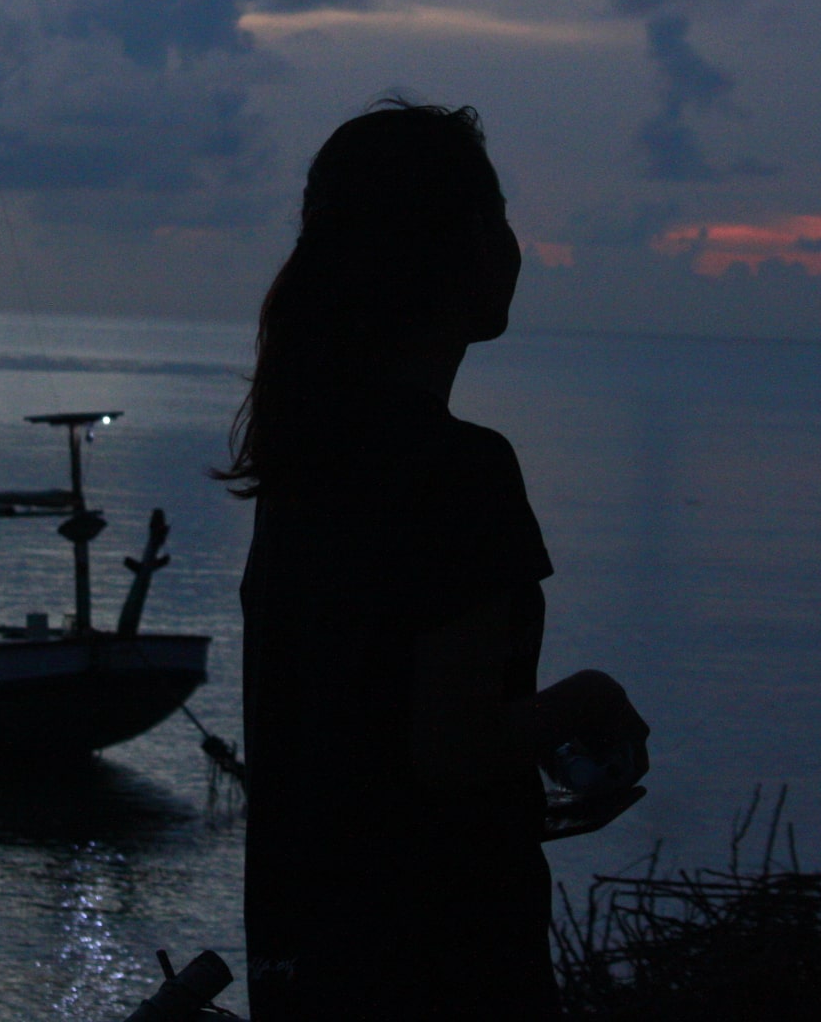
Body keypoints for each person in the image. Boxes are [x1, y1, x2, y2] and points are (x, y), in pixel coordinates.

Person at [223, 101, 649, 1019]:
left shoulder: (306, 469)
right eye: (495, 215)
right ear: (451, 245)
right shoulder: (460, 471)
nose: (513, 244)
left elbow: (361, 764)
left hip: (312, 965)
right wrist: (587, 699)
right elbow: (451, 749)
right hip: (445, 973)